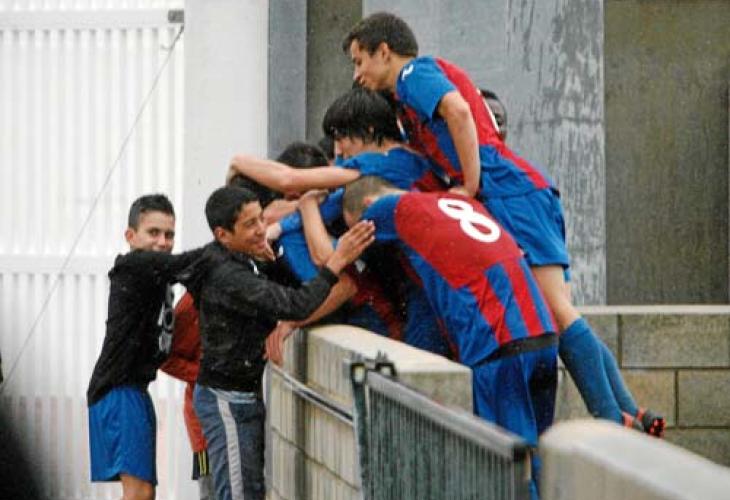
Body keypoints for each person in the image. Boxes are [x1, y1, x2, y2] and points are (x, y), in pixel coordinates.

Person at [342, 12, 664, 436]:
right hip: (522, 191)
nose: (357, 73)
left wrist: (469, 184)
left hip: (509, 191)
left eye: (359, 60)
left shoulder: (414, 74)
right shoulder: (407, 101)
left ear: (385, 52)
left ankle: (612, 417)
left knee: (558, 312)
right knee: (559, 312)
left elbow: (458, 112)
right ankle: (630, 412)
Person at [342, 176, 558, 498]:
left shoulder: (390, 208)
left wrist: (297, 214)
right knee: (536, 460)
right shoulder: (457, 202)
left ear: (369, 205)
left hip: (497, 345)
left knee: (507, 471)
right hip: (543, 335)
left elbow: (334, 255)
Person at [182, 186, 374, 500]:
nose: (262, 229)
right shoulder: (228, 275)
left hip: (241, 397)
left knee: (249, 491)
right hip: (225, 400)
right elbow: (296, 305)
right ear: (223, 234)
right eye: (250, 224)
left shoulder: (246, 262)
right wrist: (336, 261)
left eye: (261, 219)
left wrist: (268, 263)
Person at [86, 194, 204, 500]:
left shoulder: (157, 275)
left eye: (169, 235)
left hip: (135, 391)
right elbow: (190, 262)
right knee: (139, 493)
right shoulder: (134, 266)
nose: (163, 242)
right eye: (153, 232)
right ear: (130, 236)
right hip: (118, 390)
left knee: (145, 493)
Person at [159, 292, 216, 500]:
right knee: (211, 488)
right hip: (206, 425)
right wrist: (204, 376)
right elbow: (165, 357)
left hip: (236, 414)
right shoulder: (193, 302)